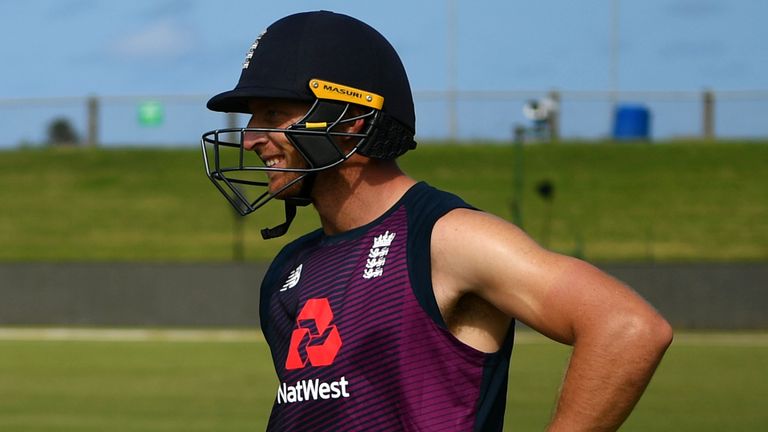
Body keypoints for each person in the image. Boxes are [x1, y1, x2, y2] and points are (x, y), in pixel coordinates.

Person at [200, 10, 673, 432]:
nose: (250, 140)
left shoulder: (444, 238)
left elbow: (626, 327)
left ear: (350, 119)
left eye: (273, 114)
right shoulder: (287, 272)